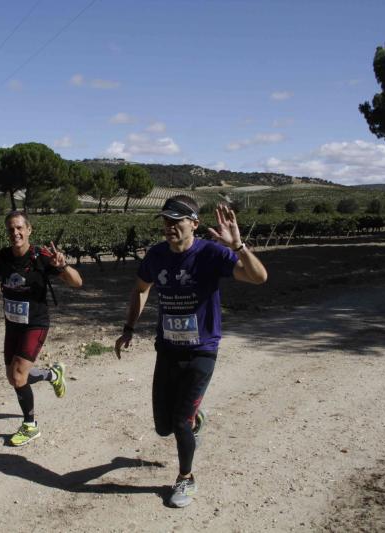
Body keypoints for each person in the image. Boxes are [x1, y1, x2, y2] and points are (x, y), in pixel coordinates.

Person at [114, 195, 267, 508]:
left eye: (177, 221)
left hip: (202, 351)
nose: (170, 226)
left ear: (194, 224)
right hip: (167, 349)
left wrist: (238, 246)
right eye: (166, 221)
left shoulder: (211, 253)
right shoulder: (156, 255)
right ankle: (194, 418)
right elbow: (142, 289)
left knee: (180, 423)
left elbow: (258, 277)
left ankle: (185, 478)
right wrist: (129, 328)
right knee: (163, 427)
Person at [0, 210, 83, 447]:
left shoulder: (41, 256)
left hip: (36, 323)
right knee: (14, 377)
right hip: (13, 324)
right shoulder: (4, 257)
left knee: (18, 376)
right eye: (11, 229)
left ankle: (30, 426)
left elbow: (77, 282)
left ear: (29, 230)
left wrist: (63, 266)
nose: (15, 233)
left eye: (19, 228)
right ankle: (52, 374)